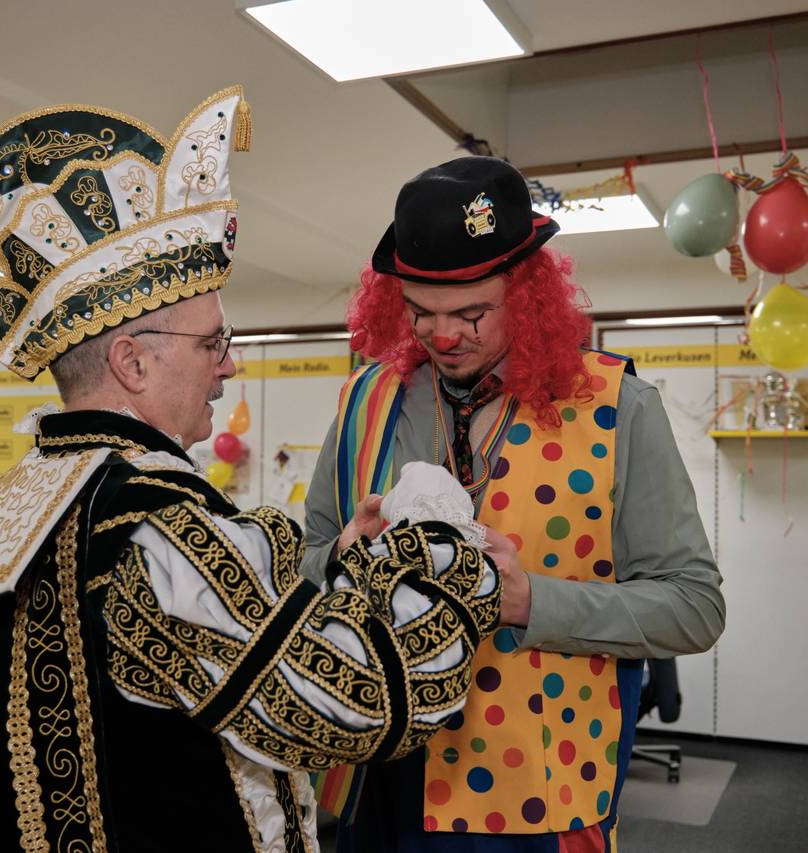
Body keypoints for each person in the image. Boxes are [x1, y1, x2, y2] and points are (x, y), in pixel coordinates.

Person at [0, 88, 509, 852]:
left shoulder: (44, 491)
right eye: (212, 343)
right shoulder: (157, 529)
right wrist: (440, 543)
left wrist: (344, 568)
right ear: (132, 362)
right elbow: (357, 701)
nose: (229, 366)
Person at [300, 156, 726, 851]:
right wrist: (342, 560)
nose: (442, 336)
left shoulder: (618, 406)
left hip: (538, 792)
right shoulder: (364, 401)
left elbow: (694, 606)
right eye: (420, 313)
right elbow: (306, 561)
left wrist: (533, 602)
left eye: (471, 313)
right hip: (378, 776)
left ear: (526, 295)